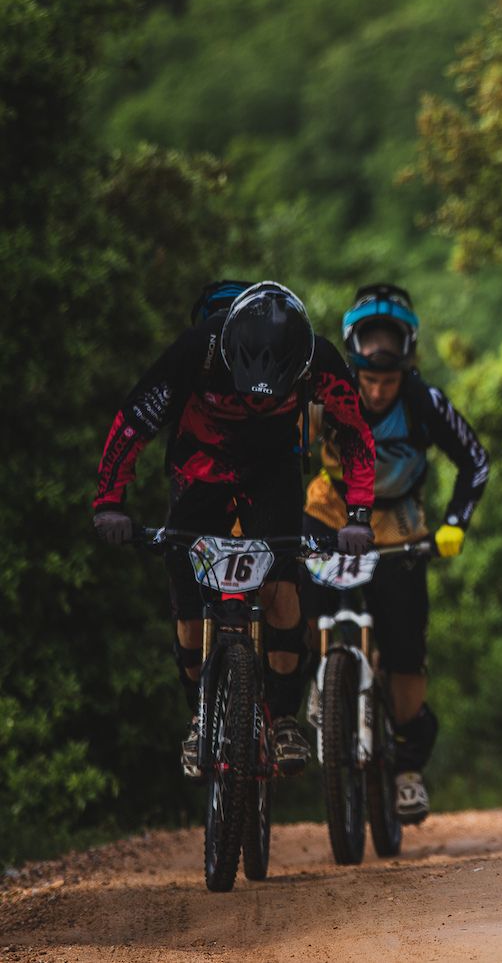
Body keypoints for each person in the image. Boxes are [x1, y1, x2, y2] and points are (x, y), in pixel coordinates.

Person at [93, 281, 377, 778]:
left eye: (274, 396)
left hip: (273, 472)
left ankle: (285, 719)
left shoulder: (319, 360)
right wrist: (109, 501)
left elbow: (353, 432)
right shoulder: (198, 349)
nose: (259, 405)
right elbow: (135, 420)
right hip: (198, 470)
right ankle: (200, 718)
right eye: (247, 396)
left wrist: (358, 515)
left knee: (282, 589)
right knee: (186, 610)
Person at [301, 284, 490, 824]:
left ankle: (407, 768)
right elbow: (283, 445)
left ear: (404, 368)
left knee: (406, 652)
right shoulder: (323, 396)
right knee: (297, 607)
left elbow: (475, 462)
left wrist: (455, 523)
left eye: (387, 381)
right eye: (368, 380)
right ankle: (320, 679)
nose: (378, 392)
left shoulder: (424, 402)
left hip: (402, 532)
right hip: (332, 517)